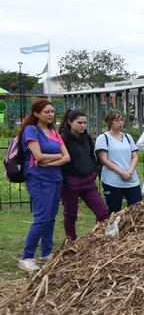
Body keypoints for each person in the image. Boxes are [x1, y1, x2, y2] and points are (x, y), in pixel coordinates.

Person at [18, 99, 69, 271]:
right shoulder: (31, 131)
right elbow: (38, 156)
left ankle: (46, 253)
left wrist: (50, 162)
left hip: (55, 178)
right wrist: (56, 158)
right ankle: (27, 257)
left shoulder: (55, 133)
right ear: (37, 113)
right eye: (46, 111)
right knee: (41, 218)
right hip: (38, 178)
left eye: (52, 112)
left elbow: (67, 157)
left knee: (51, 217)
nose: (50, 115)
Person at [59, 109, 109, 241]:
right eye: (79, 122)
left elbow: (92, 156)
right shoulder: (63, 138)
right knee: (71, 215)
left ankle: (98, 238)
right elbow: (62, 161)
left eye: (85, 123)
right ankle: (71, 241)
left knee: (103, 212)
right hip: (71, 182)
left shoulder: (87, 137)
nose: (82, 125)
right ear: (70, 122)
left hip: (88, 180)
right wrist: (67, 179)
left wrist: (93, 172)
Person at [96, 110, 142, 213]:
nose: (120, 123)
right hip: (113, 181)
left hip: (131, 180)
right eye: (117, 120)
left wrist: (129, 171)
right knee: (113, 211)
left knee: (137, 210)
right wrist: (122, 172)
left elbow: (134, 157)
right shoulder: (103, 138)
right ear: (109, 122)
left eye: (121, 120)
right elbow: (103, 159)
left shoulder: (128, 137)